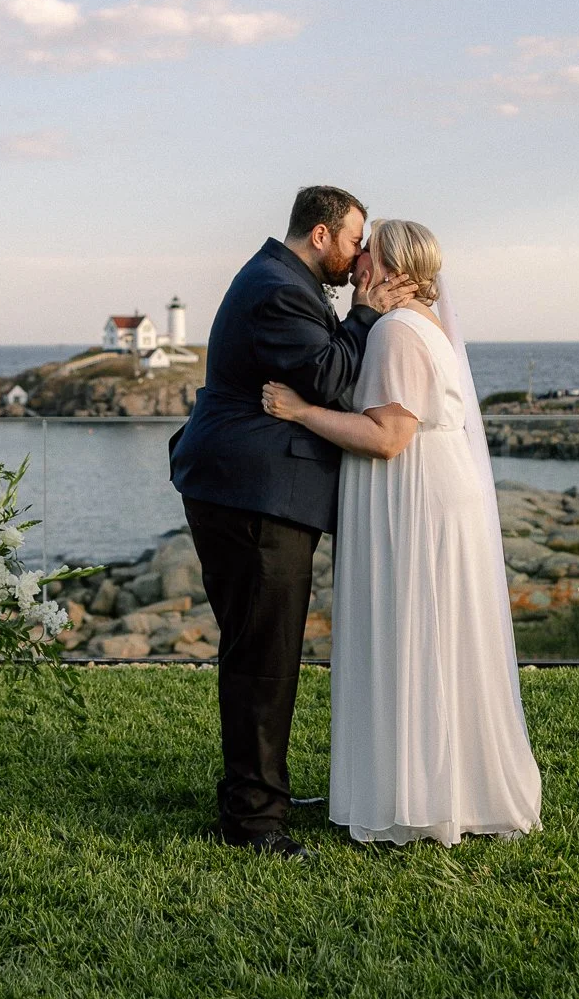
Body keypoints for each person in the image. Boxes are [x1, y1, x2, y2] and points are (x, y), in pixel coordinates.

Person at [263, 219, 542, 847]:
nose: (357, 259)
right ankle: (432, 784)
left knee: (415, 631)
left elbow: (388, 438)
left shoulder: (395, 331)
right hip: (427, 492)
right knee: (432, 635)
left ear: (391, 267)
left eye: (368, 252)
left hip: (414, 499)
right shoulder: (421, 325)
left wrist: (302, 411)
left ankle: (418, 796)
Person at [170, 185, 412, 859]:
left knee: (263, 651)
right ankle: (253, 820)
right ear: (321, 235)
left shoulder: (282, 281)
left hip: (253, 488)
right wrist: (365, 313)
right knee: (264, 658)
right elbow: (332, 377)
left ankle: (260, 792)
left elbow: (319, 369)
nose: (360, 255)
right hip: (252, 493)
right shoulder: (278, 289)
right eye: (355, 241)